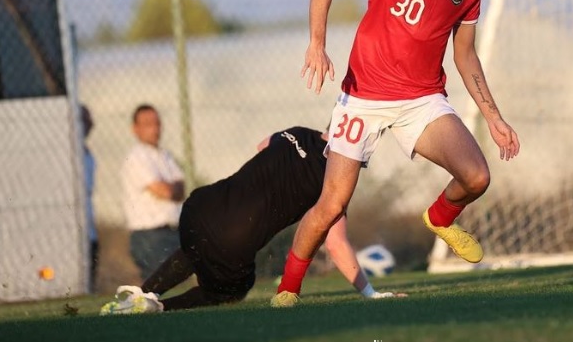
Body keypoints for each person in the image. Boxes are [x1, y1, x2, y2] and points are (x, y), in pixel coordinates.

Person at [271, 0, 521, 308]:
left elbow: (465, 55)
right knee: (331, 205)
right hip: (362, 99)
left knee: (477, 176)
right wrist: (317, 43)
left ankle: (440, 217)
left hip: (421, 100)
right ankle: (288, 290)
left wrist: (493, 116)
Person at [100, 126, 404, 314]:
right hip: (233, 241)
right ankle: (163, 308)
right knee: (233, 286)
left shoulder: (296, 132)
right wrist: (370, 292)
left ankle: (145, 293)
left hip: (200, 206)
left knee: (201, 247)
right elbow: (336, 244)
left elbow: (262, 146)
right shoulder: (332, 185)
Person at [122, 104, 185, 280]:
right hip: (149, 235)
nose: (155, 128)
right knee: (158, 284)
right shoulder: (137, 156)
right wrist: (170, 189)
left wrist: (171, 189)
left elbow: (180, 189)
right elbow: (165, 191)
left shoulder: (164, 155)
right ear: (135, 129)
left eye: (157, 123)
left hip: (172, 231)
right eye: (148, 124)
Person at [79, 104, 99, 292]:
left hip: (89, 224)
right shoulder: (69, 154)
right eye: (85, 120)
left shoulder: (87, 152)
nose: (91, 124)